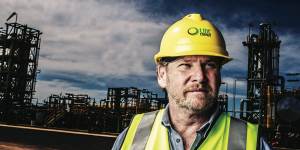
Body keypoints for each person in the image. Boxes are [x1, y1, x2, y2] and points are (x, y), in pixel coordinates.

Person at [112, 13, 271, 150]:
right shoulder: (133, 138)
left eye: (210, 65)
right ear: (162, 75)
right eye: (185, 65)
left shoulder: (250, 143)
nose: (200, 76)